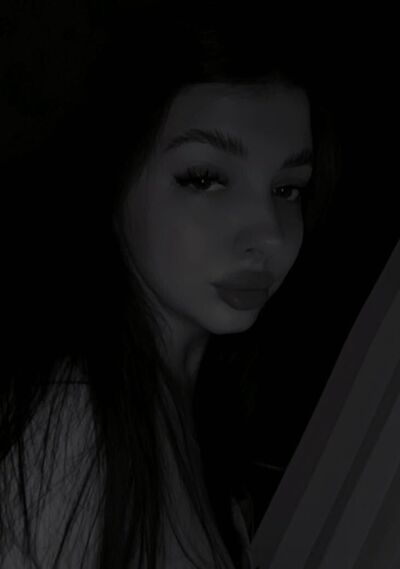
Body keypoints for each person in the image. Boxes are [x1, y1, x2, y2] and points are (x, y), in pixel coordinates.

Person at [0, 3, 342, 568]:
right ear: (113, 178)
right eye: (205, 179)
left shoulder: (204, 432)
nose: (269, 234)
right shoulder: (69, 424)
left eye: (288, 189)